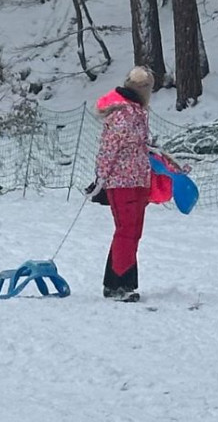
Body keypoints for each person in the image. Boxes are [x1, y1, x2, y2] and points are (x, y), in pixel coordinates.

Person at [91, 66, 155, 302]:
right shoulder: (123, 114)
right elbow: (109, 149)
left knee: (133, 232)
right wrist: (101, 180)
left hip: (138, 179)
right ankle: (118, 284)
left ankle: (121, 281)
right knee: (126, 232)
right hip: (121, 181)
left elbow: (138, 146)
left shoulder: (138, 112)